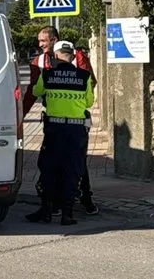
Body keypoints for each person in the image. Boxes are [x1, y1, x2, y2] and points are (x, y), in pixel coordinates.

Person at [22, 26, 99, 215]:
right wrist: (21, 115)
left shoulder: (77, 56)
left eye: (43, 41)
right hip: (54, 119)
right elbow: (32, 91)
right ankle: (56, 204)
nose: (40, 45)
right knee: (54, 162)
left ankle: (85, 198)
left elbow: (89, 81)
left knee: (76, 161)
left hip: (75, 120)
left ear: (54, 41)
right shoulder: (38, 61)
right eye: (39, 41)